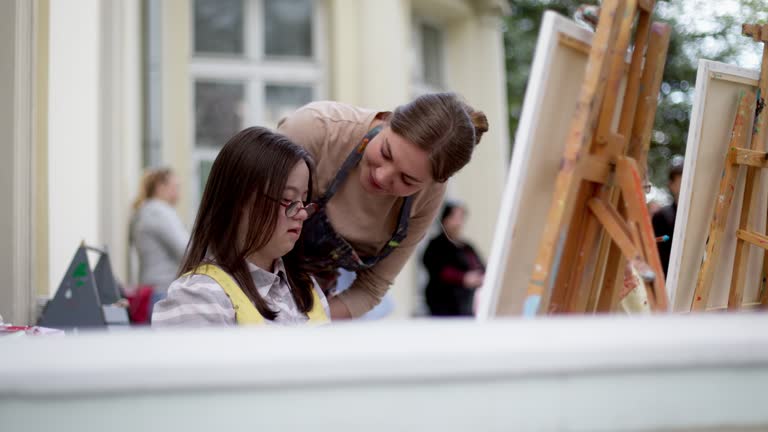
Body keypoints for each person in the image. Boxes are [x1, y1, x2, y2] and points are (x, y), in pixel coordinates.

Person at [277, 92, 488, 320]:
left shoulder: (427, 196)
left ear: (432, 183)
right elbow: (241, 219)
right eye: (386, 152)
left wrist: (308, 321)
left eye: (407, 180)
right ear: (389, 120)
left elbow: (370, 288)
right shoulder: (316, 129)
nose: (381, 175)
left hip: (311, 305)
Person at [152, 127, 329, 326]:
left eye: (304, 201)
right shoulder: (199, 297)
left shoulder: (308, 289)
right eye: (287, 199)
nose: (303, 213)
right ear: (237, 202)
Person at [130, 167, 189, 309]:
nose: (179, 193)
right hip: (162, 291)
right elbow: (186, 250)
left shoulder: (145, 211)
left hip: (151, 290)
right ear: (160, 187)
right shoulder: (159, 212)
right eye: (175, 187)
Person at [422, 202, 485, 317]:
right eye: (455, 218)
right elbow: (437, 268)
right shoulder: (436, 245)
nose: (459, 223)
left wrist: (479, 277)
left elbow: (480, 265)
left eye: (461, 218)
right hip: (444, 301)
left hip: (467, 302)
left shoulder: (466, 246)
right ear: (446, 219)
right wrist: (463, 278)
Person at [652, 163, 683, 276]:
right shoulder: (661, 215)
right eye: (680, 181)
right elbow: (655, 246)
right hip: (665, 276)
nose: (685, 185)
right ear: (671, 185)